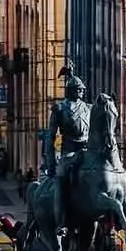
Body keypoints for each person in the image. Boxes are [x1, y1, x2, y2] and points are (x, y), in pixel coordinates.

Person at [44, 75, 91, 216]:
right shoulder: (60, 108)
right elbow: (50, 137)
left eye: (81, 89)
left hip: (87, 151)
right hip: (68, 152)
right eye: (77, 89)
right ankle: (61, 220)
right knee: (61, 180)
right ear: (70, 90)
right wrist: (51, 162)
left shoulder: (88, 108)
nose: (80, 92)